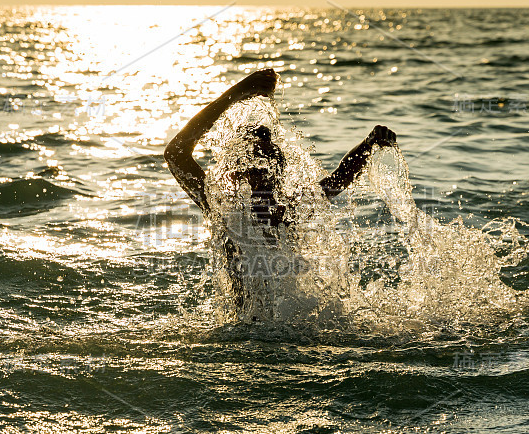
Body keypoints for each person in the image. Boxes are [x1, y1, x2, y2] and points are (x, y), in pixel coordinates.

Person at [164, 68, 397, 310]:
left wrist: (369, 144)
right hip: (250, 333)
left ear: (279, 172)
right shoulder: (225, 211)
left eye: (269, 165)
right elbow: (175, 153)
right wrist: (237, 93)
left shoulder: (289, 209)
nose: (263, 173)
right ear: (236, 173)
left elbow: (339, 178)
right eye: (256, 165)